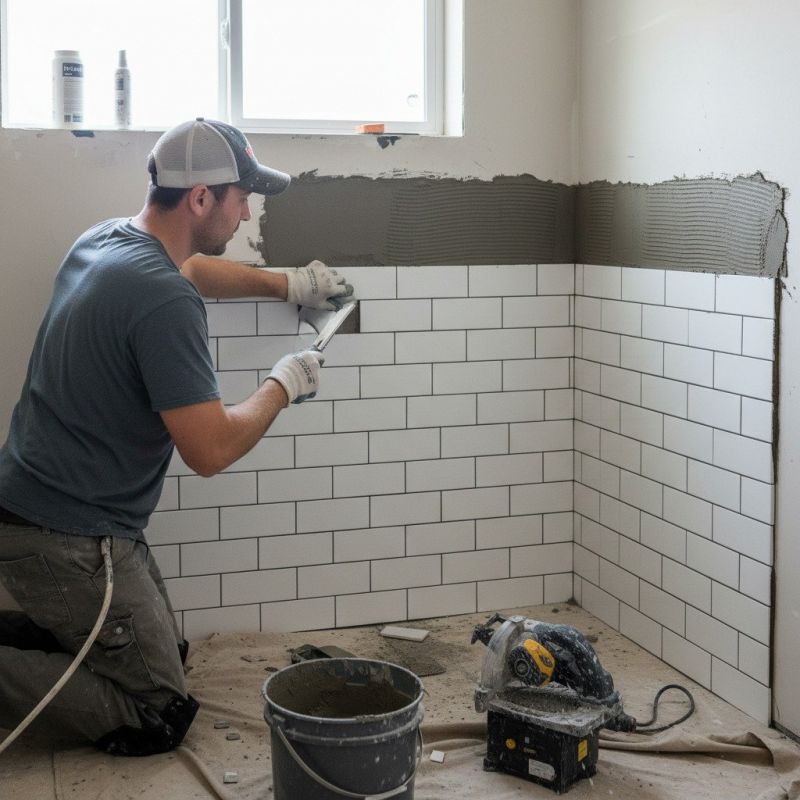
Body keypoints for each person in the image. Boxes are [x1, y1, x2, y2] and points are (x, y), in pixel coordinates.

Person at [0, 118, 352, 755]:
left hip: (37, 511)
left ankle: (46, 633)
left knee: (170, 651)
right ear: (200, 199)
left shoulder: (108, 240)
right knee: (160, 709)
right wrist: (286, 382)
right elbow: (210, 450)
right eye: (241, 196)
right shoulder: (162, 300)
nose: (247, 214)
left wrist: (286, 284)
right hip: (72, 539)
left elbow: (191, 270)